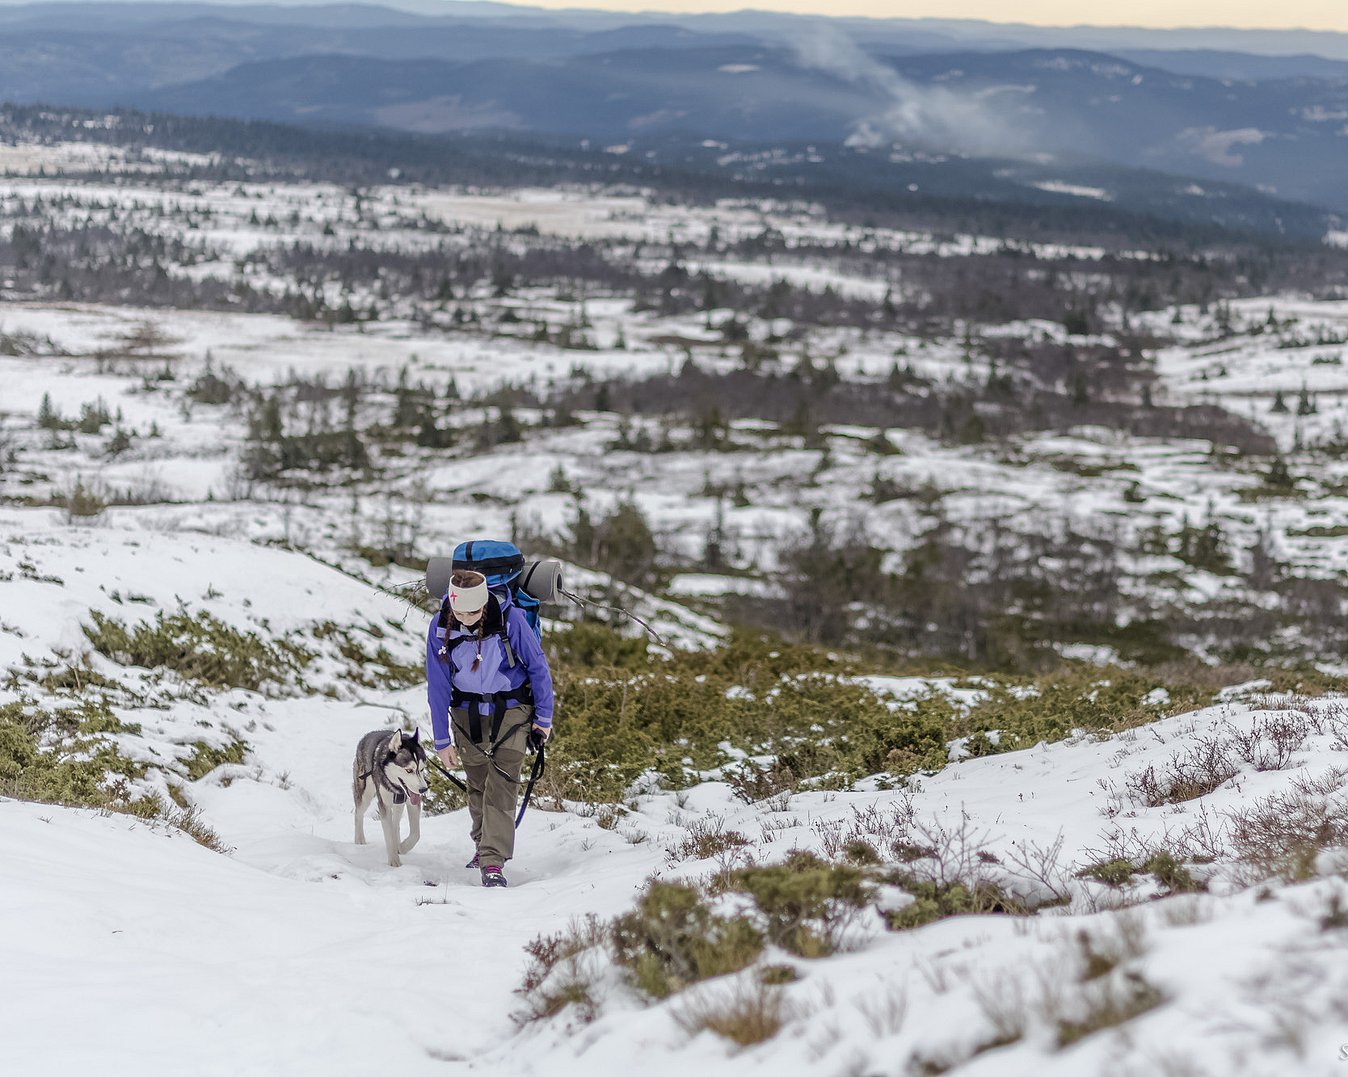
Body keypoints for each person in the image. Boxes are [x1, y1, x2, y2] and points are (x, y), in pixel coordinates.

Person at [426, 568, 554, 888]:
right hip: (466, 711)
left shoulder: (512, 620)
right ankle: (482, 844)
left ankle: (492, 860)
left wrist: (543, 719)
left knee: (503, 780)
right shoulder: (440, 625)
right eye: (459, 612)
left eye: (472, 612)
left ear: (484, 604)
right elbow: (438, 684)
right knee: (478, 782)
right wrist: (441, 739)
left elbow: (538, 667)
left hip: (512, 707)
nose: (466, 619)